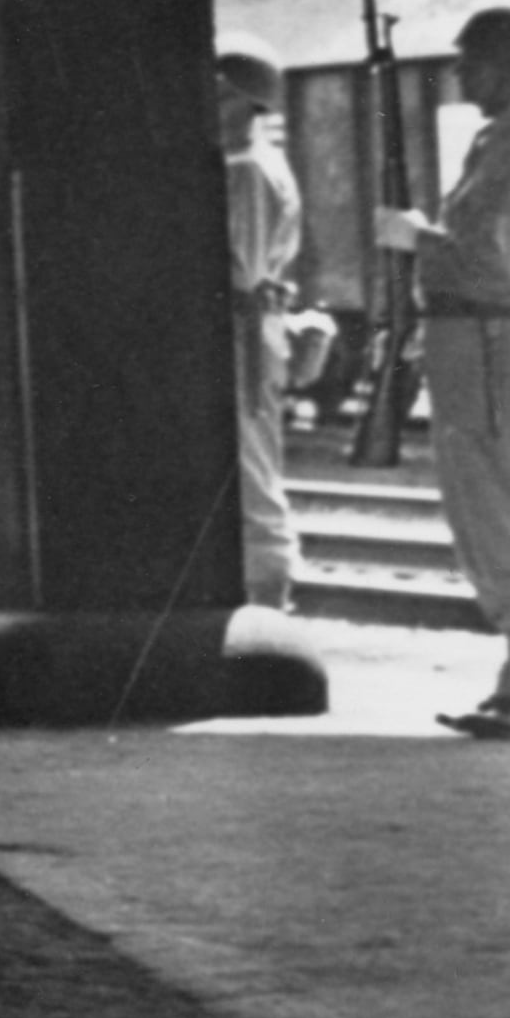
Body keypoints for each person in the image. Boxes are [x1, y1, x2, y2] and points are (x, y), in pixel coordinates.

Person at [391, 3, 510, 739]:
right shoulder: (505, 139)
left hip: (494, 343)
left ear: (506, 71)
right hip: (477, 344)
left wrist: (417, 239)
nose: (462, 73)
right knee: (486, 509)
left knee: (508, 507)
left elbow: (488, 260)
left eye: (472, 61)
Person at [217, 36, 306, 612]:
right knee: (246, 463)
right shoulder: (251, 164)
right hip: (251, 329)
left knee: (251, 471)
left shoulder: (249, 171)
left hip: (243, 330)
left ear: (240, 102)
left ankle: (271, 600)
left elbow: (241, 269)